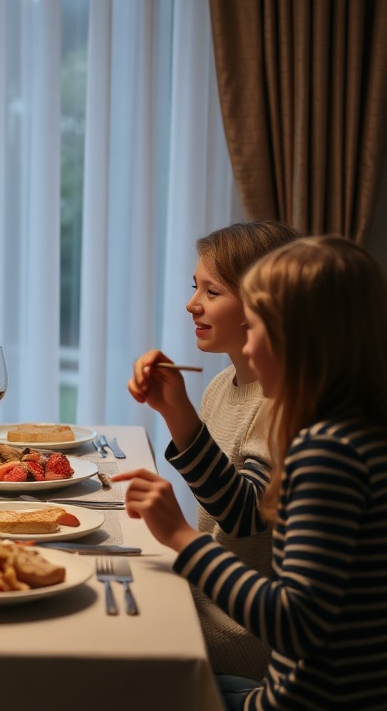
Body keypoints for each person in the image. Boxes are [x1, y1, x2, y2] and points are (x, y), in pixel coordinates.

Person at [115, 236, 387, 710]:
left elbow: (294, 621)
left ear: (302, 338)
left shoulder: (327, 452)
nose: (250, 342)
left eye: (258, 325)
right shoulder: (356, 434)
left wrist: (180, 537)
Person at [126, 221, 299, 679]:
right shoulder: (222, 385)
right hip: (208, 592)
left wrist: (176, 531)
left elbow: (245, 516)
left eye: (213, 291)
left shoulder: (285, 401)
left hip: (242, 629)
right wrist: (176, 410)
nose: (192, 304)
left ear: (263, 304)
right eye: (194, 287)